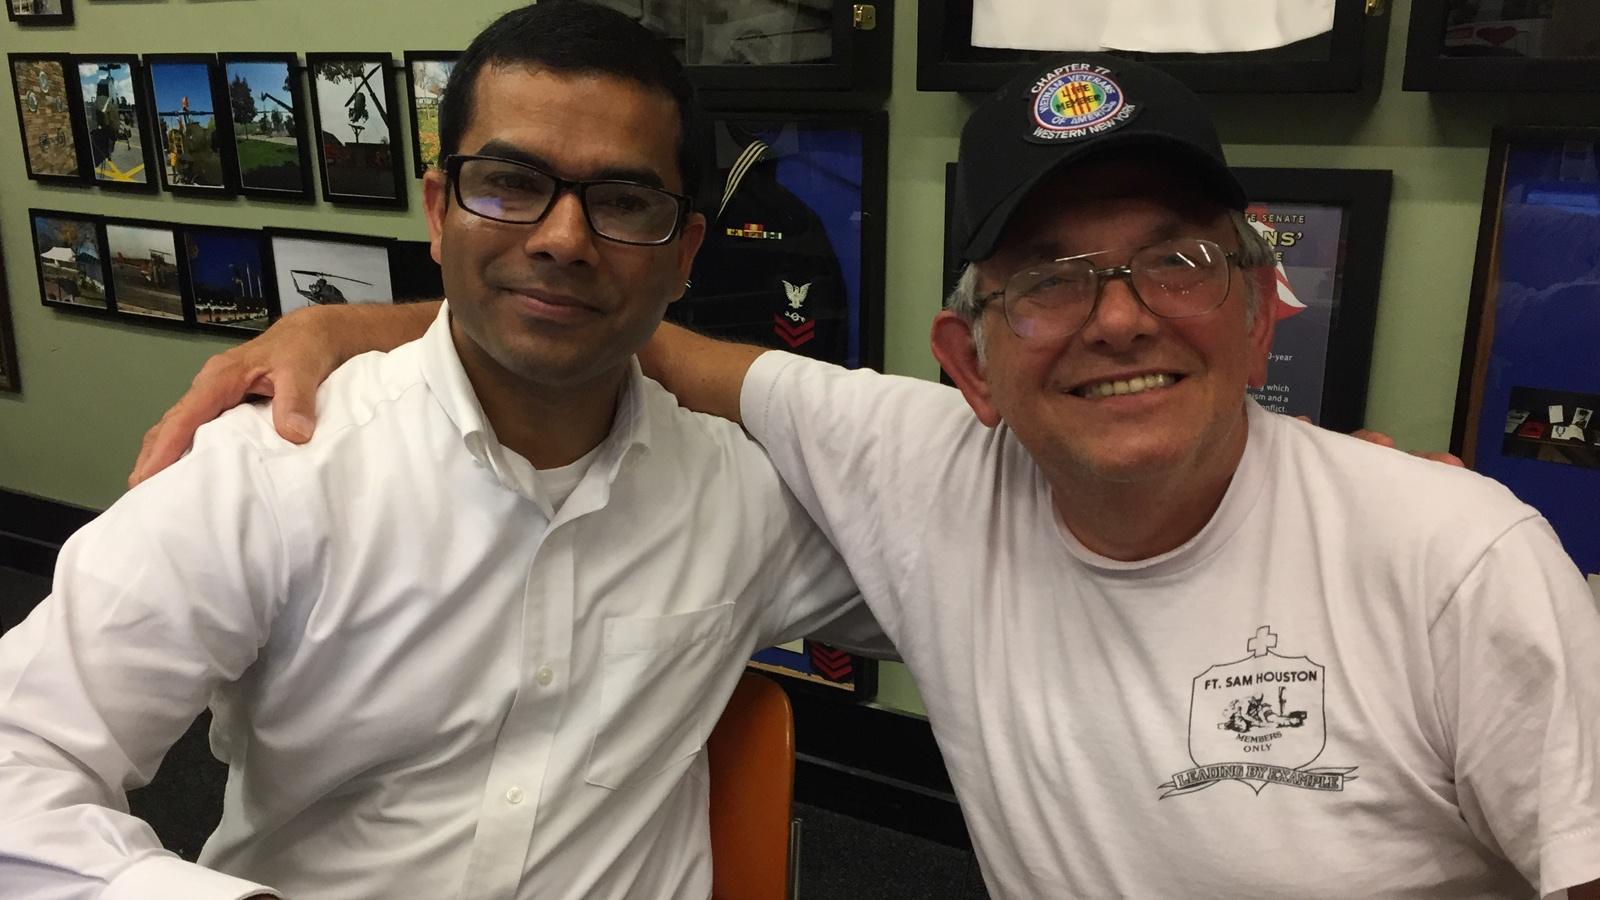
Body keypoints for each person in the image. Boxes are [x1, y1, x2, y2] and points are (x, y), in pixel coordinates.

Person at [128, 53, 1600, 900]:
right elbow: (617, 334)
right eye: (1054, 279)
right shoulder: (924, 466)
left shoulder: (1452, 555)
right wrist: (355, 326)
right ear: (967, 357)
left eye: (1178, 259)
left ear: (1264, 297)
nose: (1122, 315)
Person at [0, 4, 885, 898]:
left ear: (685, 253)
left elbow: (960, 569)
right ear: (438, 208)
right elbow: (18, 759)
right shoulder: (274, 470)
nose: (563, 239)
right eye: (509, 183)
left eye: (622, 202)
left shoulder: (740, 495)